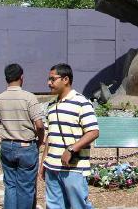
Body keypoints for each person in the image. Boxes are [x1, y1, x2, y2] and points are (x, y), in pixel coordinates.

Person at [38, 63, 99, 209]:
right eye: (49, 79)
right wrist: (43, 163)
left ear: (65, 79)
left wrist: (71, 149)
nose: (49, 83)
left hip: (74, 169)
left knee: (78, 206)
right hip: (52, 168)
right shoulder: (51, 106)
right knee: (53, 206)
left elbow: (93, 131)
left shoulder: (82, 102)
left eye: (52, 79)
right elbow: (50, 138)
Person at [0, 63, 45, 209]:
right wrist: (40, 141)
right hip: (26, 145)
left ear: (6, 78)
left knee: (10, 185)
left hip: (6, 145)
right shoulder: (29, 98)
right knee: (25, 187)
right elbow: (40, 125)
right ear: (21, 77)